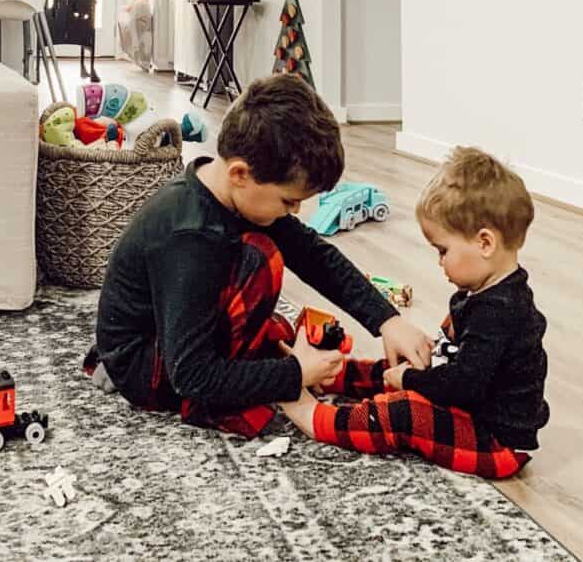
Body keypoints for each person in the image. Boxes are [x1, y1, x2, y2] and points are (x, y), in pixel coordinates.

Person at [85, 73, 433, 438]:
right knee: (261, 262)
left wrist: (387, 321)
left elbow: (314, 256)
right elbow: (190, 376)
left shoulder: (238, 192)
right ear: (239, 173)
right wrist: (294, 375)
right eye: (289, 200)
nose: (296, 211)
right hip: (146, 367)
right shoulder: (191, 237)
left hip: (173, 334)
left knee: (279, 331)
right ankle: (242, 392)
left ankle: (271, 367)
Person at [280, 146, 549, 478]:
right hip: (468, 406)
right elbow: (450, 358)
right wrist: (413, 368)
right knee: (395, 366)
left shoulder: (500, 311)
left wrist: (409, 379)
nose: (439, 262)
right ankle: (335, 375)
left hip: (494, 441)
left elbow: (463, 385)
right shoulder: (480, 295)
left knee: (406, 412)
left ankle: (316, 417)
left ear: (485, 243)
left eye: (443, 251)